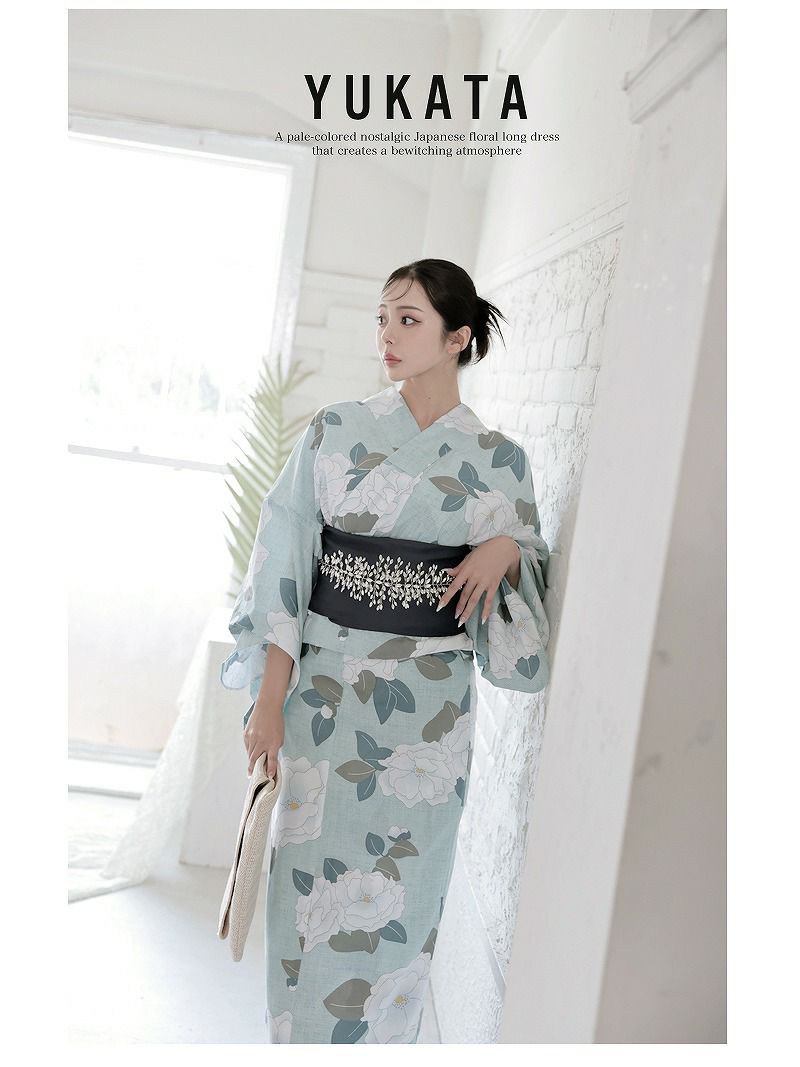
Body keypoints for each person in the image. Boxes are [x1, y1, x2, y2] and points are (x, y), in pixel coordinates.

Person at [220, 258, 551, 1044]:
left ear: (457, 337)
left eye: (408, 319)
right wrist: (269, 702)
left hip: (428, 720)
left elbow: (531, 572)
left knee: (405, 900)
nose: (387, 336)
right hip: (327, 701)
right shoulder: (336, 430)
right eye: (382, 318)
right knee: (307, 899)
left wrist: (507, 547)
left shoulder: (499, 460)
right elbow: (284, 561)